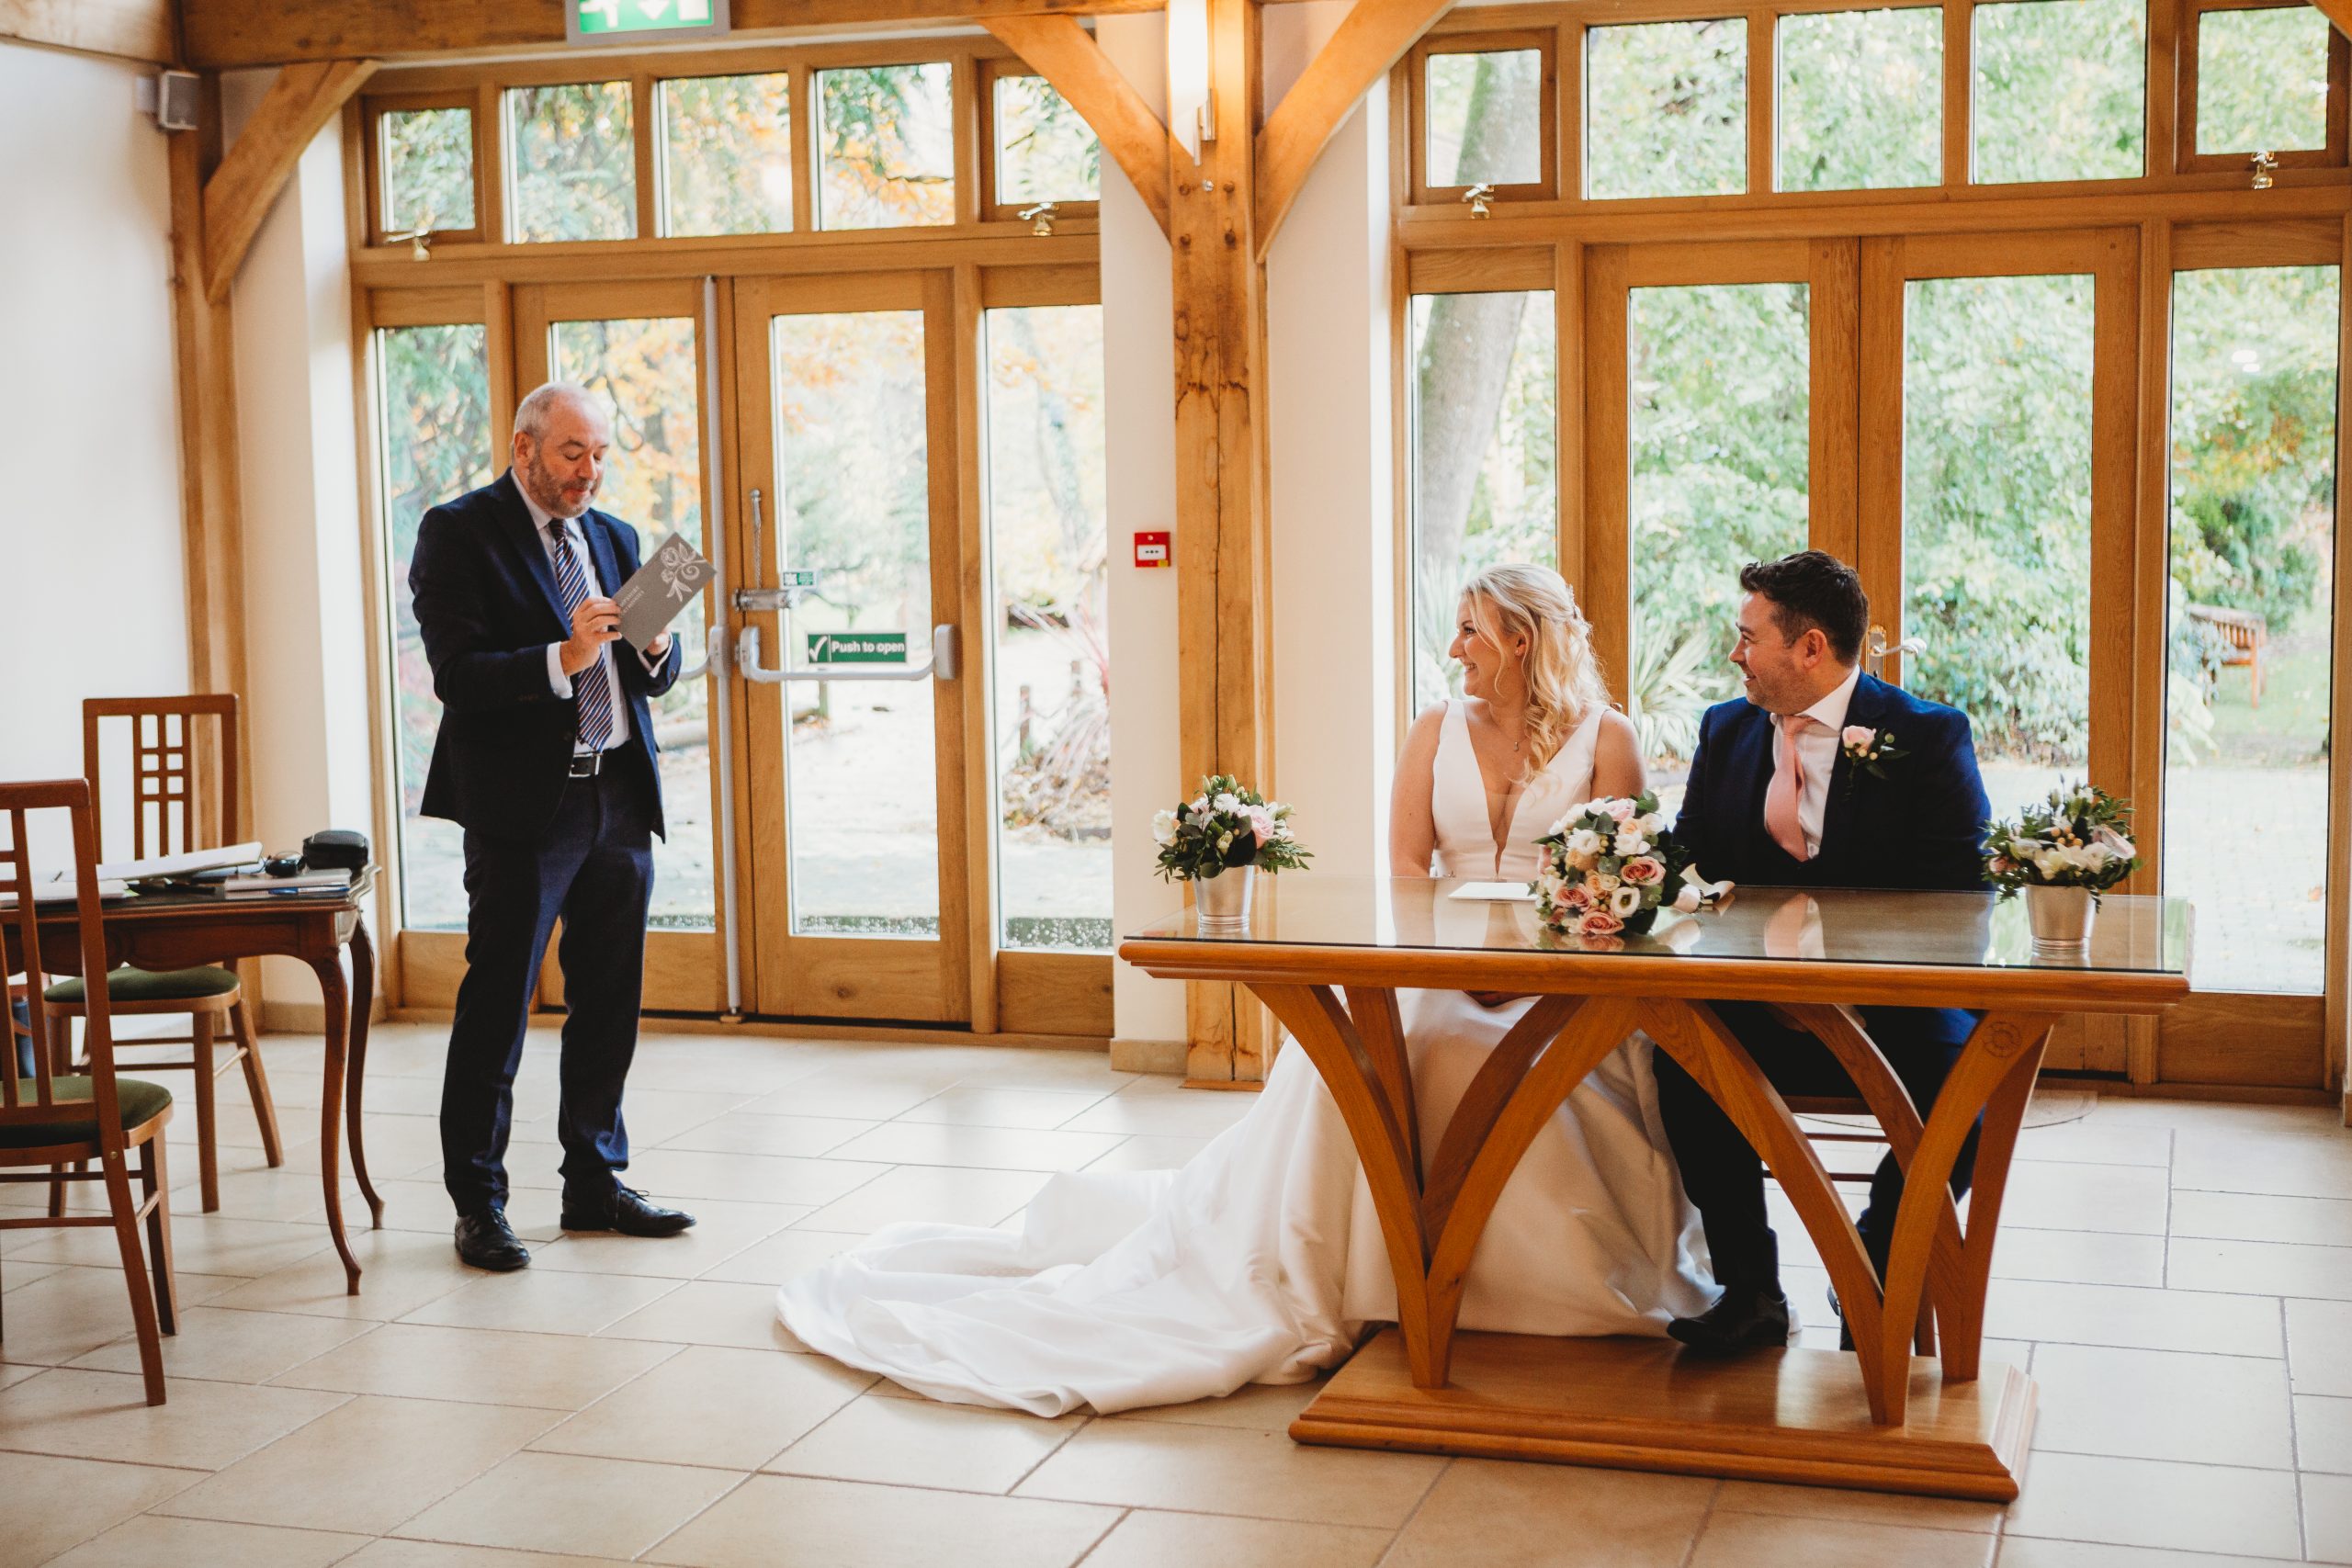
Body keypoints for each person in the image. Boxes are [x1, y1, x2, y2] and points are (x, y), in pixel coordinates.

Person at [776, 563, 1713, 1415]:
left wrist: (1538, 969)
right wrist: (1449, 968)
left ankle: (1537, 1285)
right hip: (1438, 959)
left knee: (1534, 1069)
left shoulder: (1609, 737)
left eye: (1471, 629)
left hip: (1559, 974)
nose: (1455, 646)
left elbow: (1622, 880)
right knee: (1397, 1053)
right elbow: (1404, 867)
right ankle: (1370, 1272)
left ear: (1520, 638)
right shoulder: (1435, 730)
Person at [1659, 549, 1992, 1352]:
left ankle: (1877, 1259)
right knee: (1680, 1053)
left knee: (1966, 1087)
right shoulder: (1725, 730)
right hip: (1757, 1000)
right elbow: (1690, 861)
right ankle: (1751, 1290)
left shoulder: (1928, 735)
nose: (1734, 653)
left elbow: (1961, 895)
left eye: (1749, 638)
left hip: (1896, 1004)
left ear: (1810, 647)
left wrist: (1840, 976)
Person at [409, 381, 697, 1272]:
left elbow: (651, 674)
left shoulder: (613, 536)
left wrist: (656, 648)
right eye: (574, 453)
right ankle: (479, 1204)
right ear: (524, 446)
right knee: (499, 1004)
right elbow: (458, 676)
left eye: (601, 454)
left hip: (618, 796)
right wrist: (561, 656)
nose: (590, 471)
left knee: (608, 1001)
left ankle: (595, 1184)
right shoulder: (457, 532)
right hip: (523, 810)